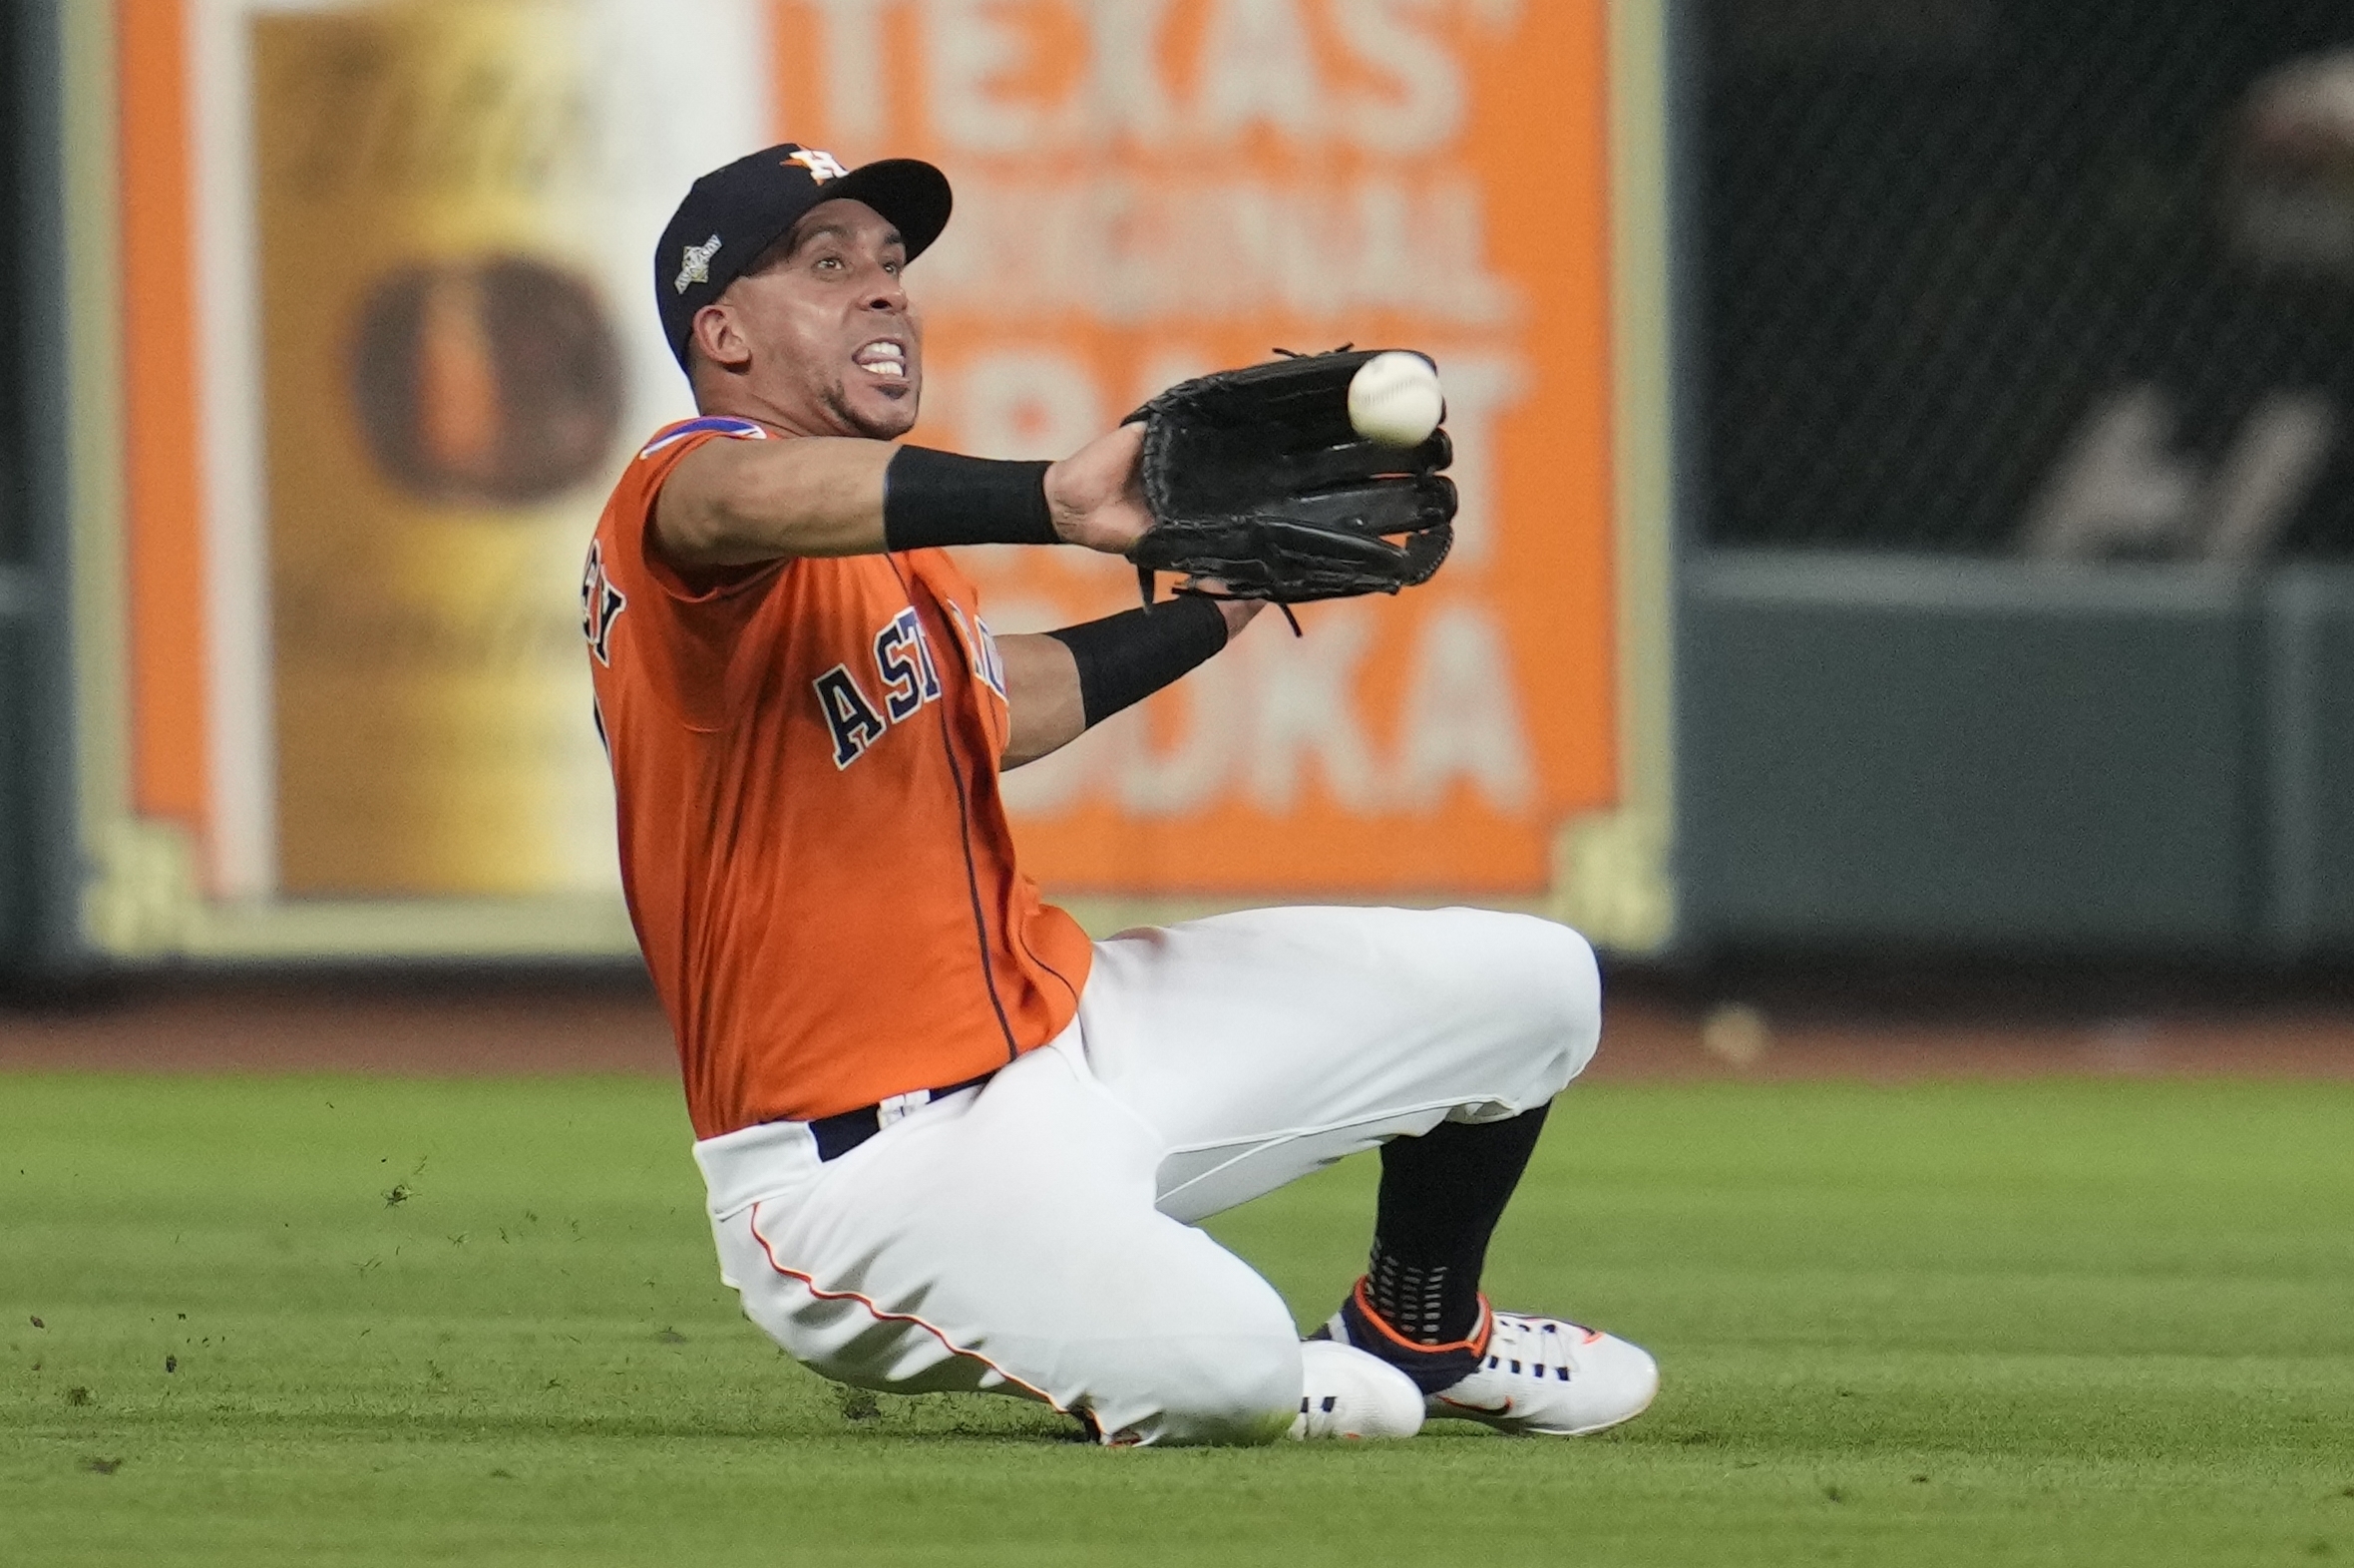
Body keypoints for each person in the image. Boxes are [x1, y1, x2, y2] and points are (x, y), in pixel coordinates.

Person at [582, 142, 1659, 1445]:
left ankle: (1419, 1329)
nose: (883, 289)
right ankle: (1269, 1368)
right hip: (869, 1177)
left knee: (1533, 986)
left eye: (890, 261)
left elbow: (997, 707)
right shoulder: (683, 492)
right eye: (826, 264)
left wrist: (1221, 611)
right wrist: (1048, 499)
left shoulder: (891, 559)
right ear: (723, 331)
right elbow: (736, 497)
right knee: (1242, 1377)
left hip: (1073, 1039)